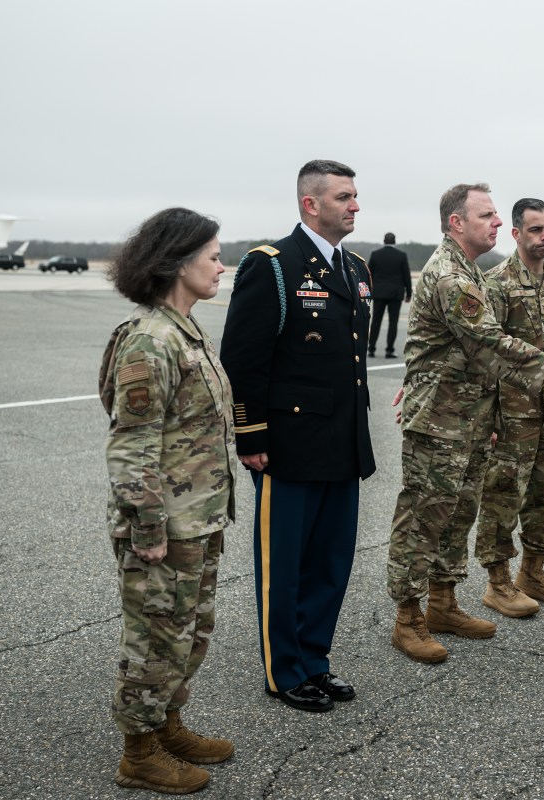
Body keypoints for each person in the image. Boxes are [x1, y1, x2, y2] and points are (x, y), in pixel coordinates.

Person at [387, 183, 544, 664]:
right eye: (487, 216)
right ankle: (408, 618)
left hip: (470, 416)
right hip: (442, 419)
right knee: (423, 519)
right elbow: (491, 340)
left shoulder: (472, 273)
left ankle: (442, 605)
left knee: (458, 515)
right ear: (457, 223)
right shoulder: (452, 276)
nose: (498, 224)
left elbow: (466, 350)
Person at [219, 160, 374, 713]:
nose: (355, 205)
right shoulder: (275, 266)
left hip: (342, 444)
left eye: (356, 196)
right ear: (310, 204)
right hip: (287, 445)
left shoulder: (356, 268)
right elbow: (243, 359)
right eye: (343, 197)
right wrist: (250, 436)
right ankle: (283, 671)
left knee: (331, 566)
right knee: (283, 567)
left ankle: (315, 661)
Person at [99, 207, 237, 793]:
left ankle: (167, 725)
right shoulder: (149, 342)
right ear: (179, 264)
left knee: (188, 633)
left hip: (198, 518)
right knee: (154, 641)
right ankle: (139, 753)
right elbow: (132, 446)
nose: (220, 265)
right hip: (165, 527)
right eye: (212, 256)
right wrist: (149, 529)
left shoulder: (188, 329)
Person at [474, 198, 544, 619]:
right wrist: (490, 416)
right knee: (502, 496)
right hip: (510, 414)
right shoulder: (495, 283)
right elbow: (485, 353)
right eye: (535, 229)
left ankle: (532, 573)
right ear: (516, 233)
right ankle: (497, 582)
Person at [368, 232, 412, 358]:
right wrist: (408, 293)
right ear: (394, 241)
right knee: (393, 322)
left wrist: (369, 291)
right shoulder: (401, 255)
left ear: (384, 241)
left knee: (376, 321)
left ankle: (371, 348)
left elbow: (369, 273)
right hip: (395, 293)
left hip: (379, 292)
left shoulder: (375, 255)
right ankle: (389, 350)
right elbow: (406, 276)